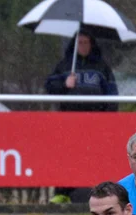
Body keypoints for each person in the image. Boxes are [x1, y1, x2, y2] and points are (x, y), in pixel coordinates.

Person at [45, 30, 118, 204]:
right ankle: (62, 192)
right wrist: (64, 83)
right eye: (80, 42)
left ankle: (98, 193)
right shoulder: (65, 66)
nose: (83, 46)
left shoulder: (102, 67)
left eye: (86, 42)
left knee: (93, 157)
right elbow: (49, 86)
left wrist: (108, 120)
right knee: (66, 156)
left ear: (91, 45)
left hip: (95, 124)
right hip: (70, 123)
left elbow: (112, 95)